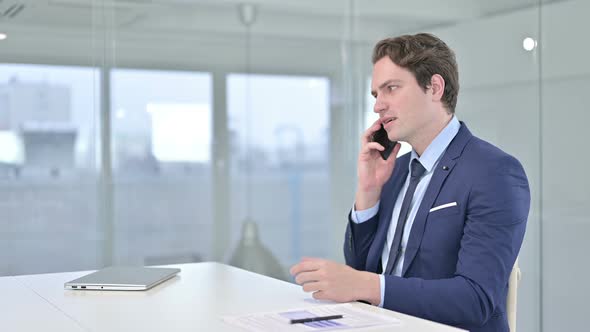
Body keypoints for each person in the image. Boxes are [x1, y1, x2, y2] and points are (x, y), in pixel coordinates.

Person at [289, 33, 530, 332]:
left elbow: (475, 299)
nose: (378, 106)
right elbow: (363, 269)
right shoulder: (396, 169)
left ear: (435, 88)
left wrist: (367, 285)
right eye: (376, 94)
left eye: (391, 88)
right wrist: (369, 190)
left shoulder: (495, 173)